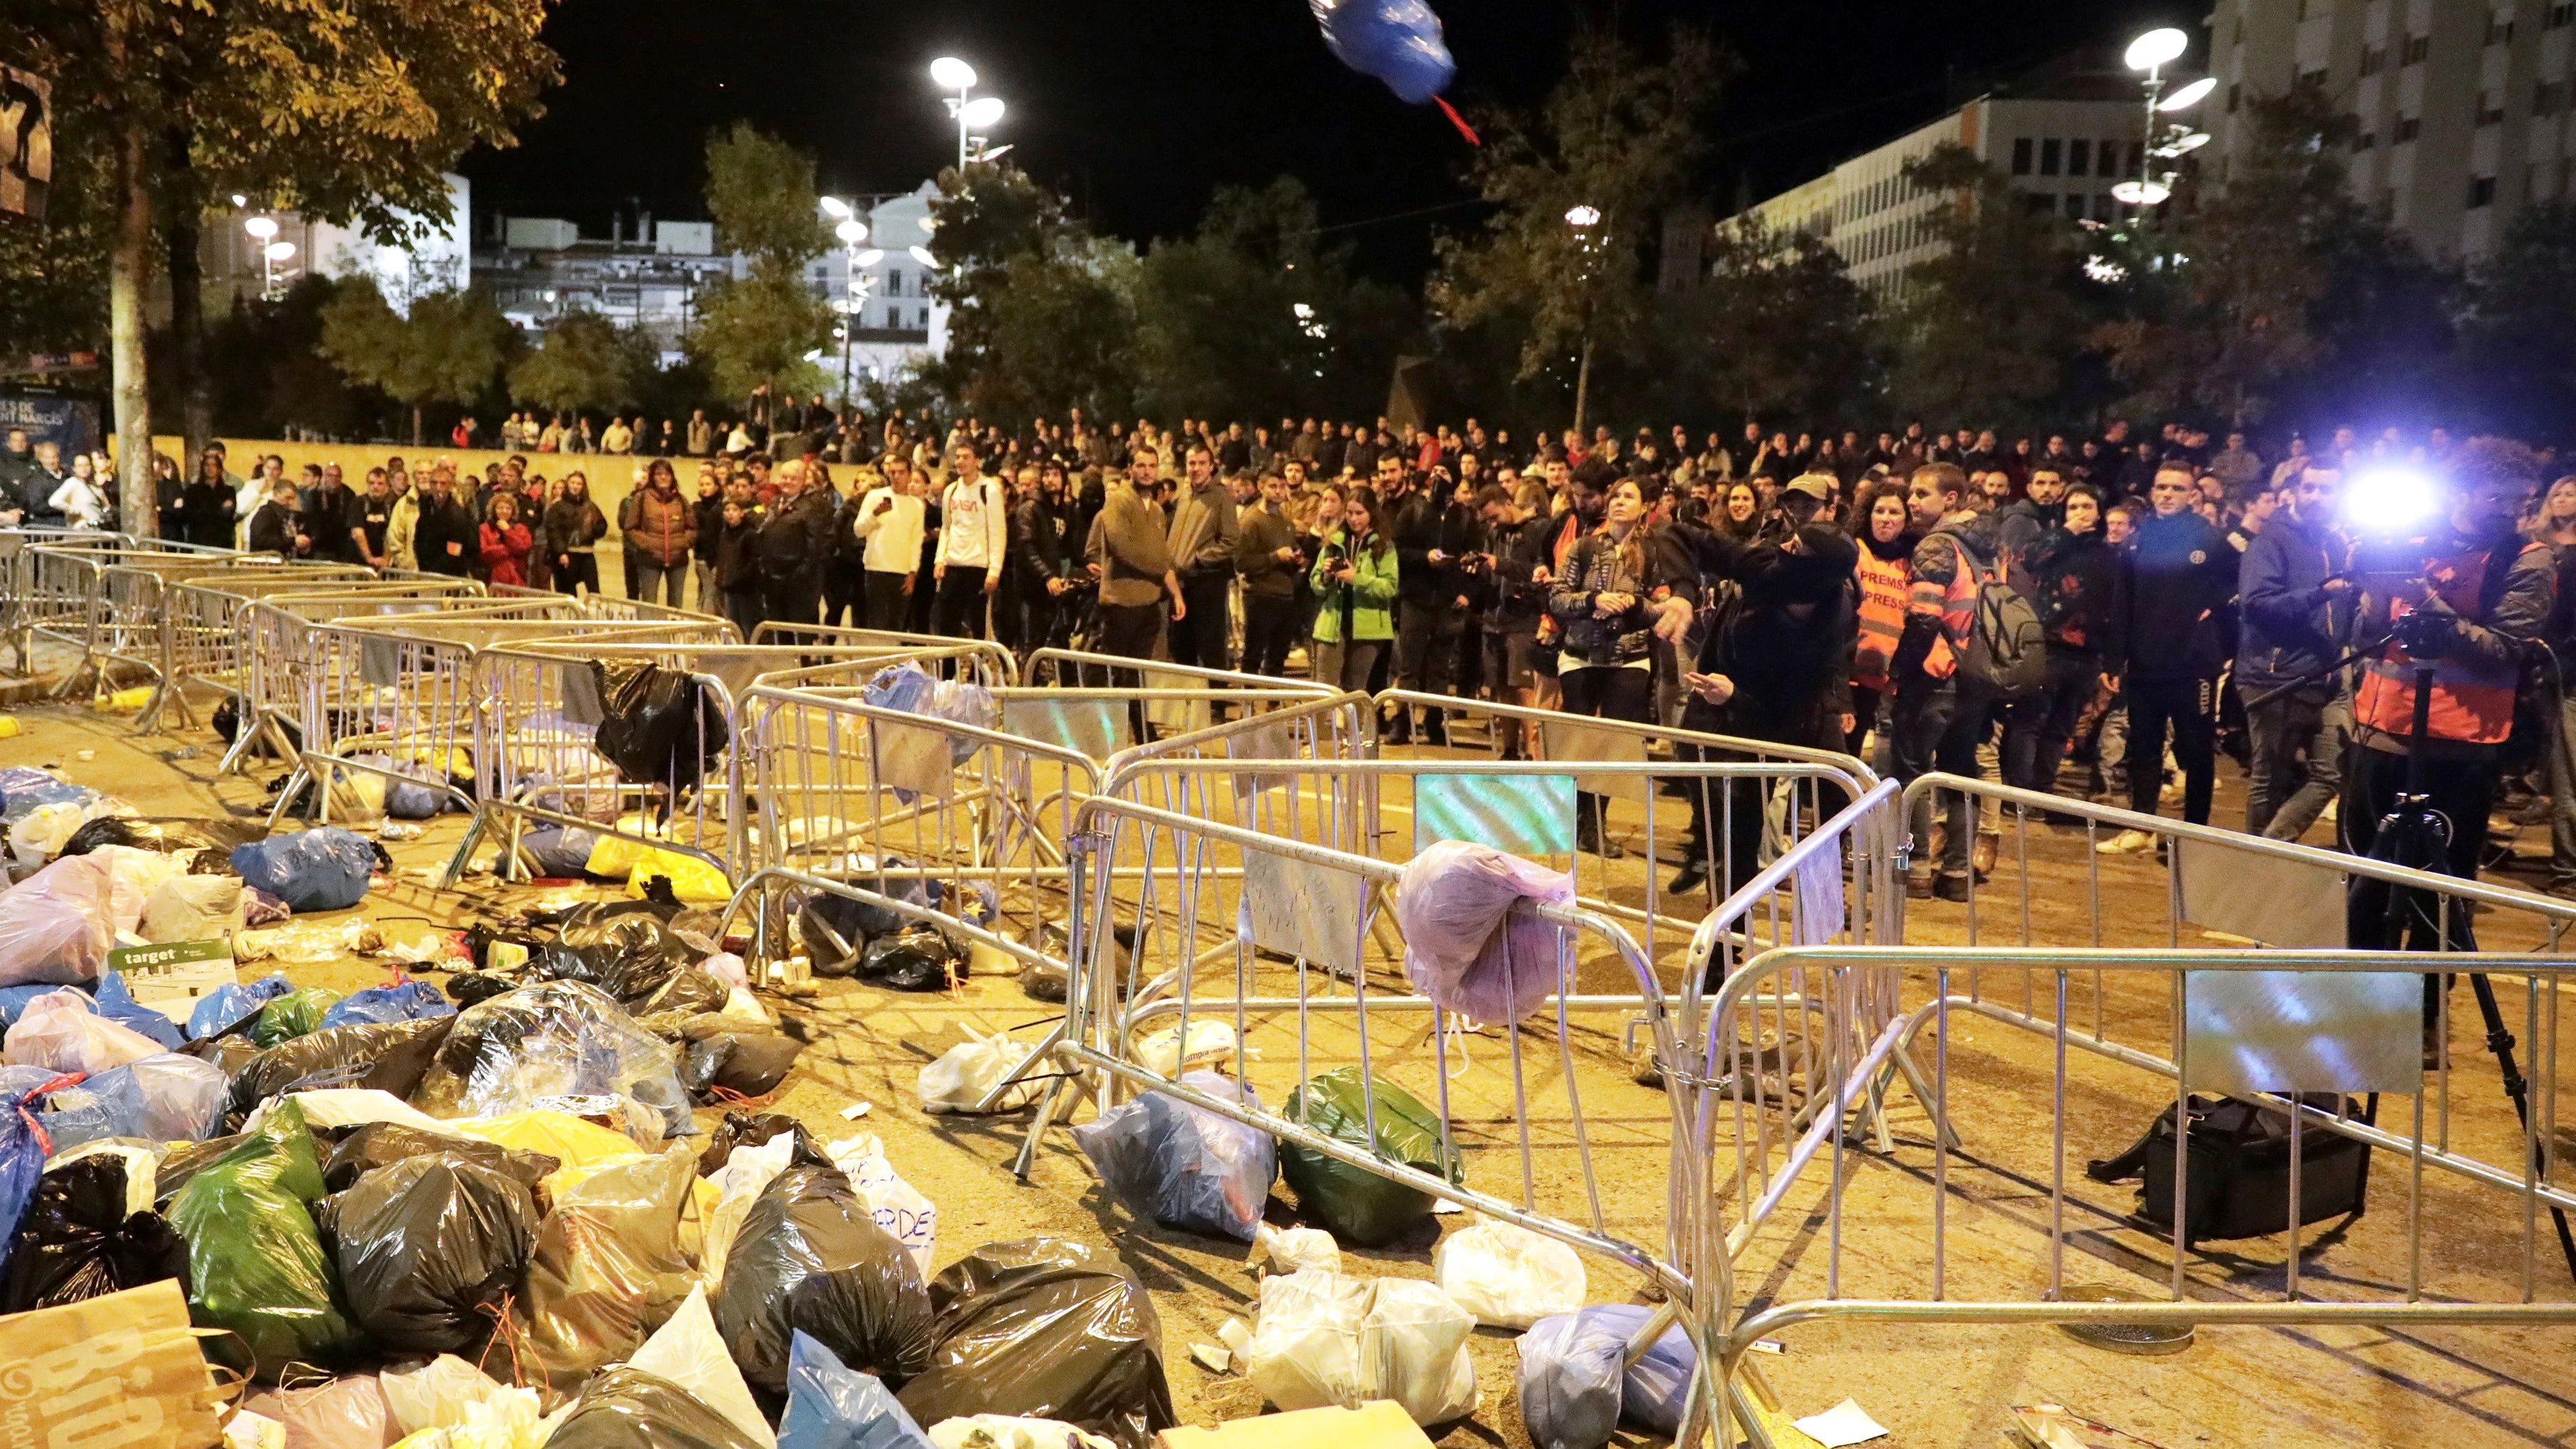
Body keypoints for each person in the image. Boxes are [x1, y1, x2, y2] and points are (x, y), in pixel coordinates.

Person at [1669, 524, 1859, 897]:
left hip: (1773, 720)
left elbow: (1788, 711)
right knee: (1707, 794)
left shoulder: (1829, 624)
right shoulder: (1766, 565)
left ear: (1815, 572)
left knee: (1752, 824)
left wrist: (1734, 696)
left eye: (1798, 548)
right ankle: (1707, 857)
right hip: (1714, 702)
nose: (1785, 545)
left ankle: (1808, 909)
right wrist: (1681, 594)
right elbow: (1681, 535)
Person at [2096, 464, 2236, 853]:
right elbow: (2122, 603)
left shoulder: (2210, 538)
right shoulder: (2136, 542)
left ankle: (2195, 833)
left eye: (2177, 488)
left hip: (2194, 665)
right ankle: (2142, 827)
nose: (2167, 494)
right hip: (2145, 662)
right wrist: (2113, 661)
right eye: (2161, 487)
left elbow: (2237, 583)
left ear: (2193, 495)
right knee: (2143, 746)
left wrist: (2215, 609)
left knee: (2197, 748)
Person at [1888, 463, 2001, 899]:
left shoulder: (1936, 546)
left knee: (1909, 775)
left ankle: (1909, 869)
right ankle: (1956, 874)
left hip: (1934, 675)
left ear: (1950, 499)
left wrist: (1900, 672)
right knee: (1960, 776)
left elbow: (1923, 617)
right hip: (1975, 677)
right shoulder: (1987, 550)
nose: (1911, 502)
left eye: (1921, 494)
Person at [1550, 477, 1680, 855]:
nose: (1620, 502)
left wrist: (1636, 606)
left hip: (1629, 659)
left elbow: (1664, 606)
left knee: (1610, 746)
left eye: (1629, 497)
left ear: (1644, 508)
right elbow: (1558, 599)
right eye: (1615, 496)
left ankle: (1595, 827)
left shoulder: (1653, 552)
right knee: (1579, 743)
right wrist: (1594, 600)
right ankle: (1571, 819)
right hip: (1579, 656)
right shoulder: (1584, 547)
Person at [2238, 464, 2355, 840]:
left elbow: (2345, 610)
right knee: (2270, 776)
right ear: (2294, 492)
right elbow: (2256, 604)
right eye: (2309, 488)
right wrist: (2319, 593)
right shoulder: (2271, 539)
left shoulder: (2337, 544)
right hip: (2274, 675)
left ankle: (2272, 847)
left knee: (2331, 773)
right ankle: (2259, 866)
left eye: (2325, 490)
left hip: (2328, 675)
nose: (2316, 497)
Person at [2002, 483, 2126, 801]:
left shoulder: (2111, 556)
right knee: (2029, 722)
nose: (2080, 513)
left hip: (2087, 655)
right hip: (2047, 647)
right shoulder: (2054, 545)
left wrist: (2112, 662)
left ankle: (2042, 794)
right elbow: (2027, 558)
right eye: (2073, 507)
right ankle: (2019, 795)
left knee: (2060, 728)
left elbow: (2118, 609)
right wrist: (2066, 532)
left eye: (2087, 507)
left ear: (2099, 514)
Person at [1390, 462, 1482, 744]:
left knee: (1440, 669)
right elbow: (1397, 551)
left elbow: (1476, 557)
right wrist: (1423, 557)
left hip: (1448, 602)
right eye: (1435, 472)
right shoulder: (1413, 511)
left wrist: (1467, 592)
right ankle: (1401, 722)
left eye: (1444, 473)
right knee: (1409, 666)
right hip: (1416, 599)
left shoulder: (1464, 517)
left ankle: (1434, 723)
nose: (1436, 477)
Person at [1086, 447, 1188, 703]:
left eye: (1152, 466)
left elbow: (1162, 554)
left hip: (1148, 605)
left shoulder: (1155, 511)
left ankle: (1141, 730)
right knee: (1111, 676)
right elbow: (1125, 550)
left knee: (1138, 676)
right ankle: (1105, 733)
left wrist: (1176, 594)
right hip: (1121, 604)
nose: (1147, 471)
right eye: (1141, 466)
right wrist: (1162, 565)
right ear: (1130, 469)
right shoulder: (1118, 502)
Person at [1478, 483, 1554, 759]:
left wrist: (1502, 566)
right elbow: (1490, 574)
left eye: (1494, 517)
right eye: (1487, 520)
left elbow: (1541, 572)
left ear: (1508, 503)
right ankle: (1509, 750)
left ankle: (1534, 753)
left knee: (1524, 689)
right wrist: (1477, 569)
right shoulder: (1494, 534)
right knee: (1501, 689)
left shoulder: (1537, 530)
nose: (1491, 524)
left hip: (1523, 620)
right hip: (1493, 620)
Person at [1845, 481, 1915, 761]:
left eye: (1895, 512)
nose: (1886, 518)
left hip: (1885, 672)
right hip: (1849, 667)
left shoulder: (1912, 560)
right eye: (1879, 511)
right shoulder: (1855, 551)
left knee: (1867, 744)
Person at [1309, 488, 1398, 692]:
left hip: (1368, 629)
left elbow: (1390, 587)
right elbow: (1315, 583)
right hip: (1332, 623)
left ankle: (1355, 726)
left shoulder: (1383, 546)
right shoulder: (1333, 542)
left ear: (1371, 514)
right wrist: (1326, 577)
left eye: (1359, 513)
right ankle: (1323, 726)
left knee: (1355, 690)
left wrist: (1355, 578)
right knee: (1323, 689)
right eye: (1349, 512)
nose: (1353, 518)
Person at [1164, 444, 1240, 674]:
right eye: (1191, 463)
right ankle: (1189, 705)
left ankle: (1216, 705)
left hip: (1206, 582)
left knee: (1210, 646)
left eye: (1201, 463)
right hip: (1180, 582)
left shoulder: (1220, 497)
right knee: (1181, 645)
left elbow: (1231, 540)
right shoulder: (1185, 496)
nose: (1196, 468)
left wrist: (1199, 560)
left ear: (1212, 466)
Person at [933, 441, 1008, 640]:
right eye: (957, 457)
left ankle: (978, 670)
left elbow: (998, 533)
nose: (960, 461)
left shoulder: (989, 490)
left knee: (978, 626)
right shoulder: (951, 490)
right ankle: (947, 671)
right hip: (953, 565)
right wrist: (940, 559)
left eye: (966, 457)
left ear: (977, 461)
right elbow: (947, 528)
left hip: (978, 567)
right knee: (947, 626)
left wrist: (994, 571)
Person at [756, 457, 835, 635]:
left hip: (798, 580)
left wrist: (802, 571)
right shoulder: (776, 502)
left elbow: (815, 543)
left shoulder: (813, 505)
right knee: (778, 628)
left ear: (803, 480)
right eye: (784, 477)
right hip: (773, 577)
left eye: (793, 478)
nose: (787, 482)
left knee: (799, 631)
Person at [1236, 469, 1303, 678]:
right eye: (1273, 486)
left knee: (1278, 656)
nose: (1279, 491)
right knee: (1253, 655)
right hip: (1260, 595)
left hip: (1284, 595)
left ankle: (1274, 705)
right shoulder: (1251, 520)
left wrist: (1296, 559)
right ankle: (1247, 705)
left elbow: (1287, 557)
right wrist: (1275, 557)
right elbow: (1241, 562)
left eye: (1282, 487)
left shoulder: (1286, 522)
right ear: (1261, 487)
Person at [852, 456, 927, 632]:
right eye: (892, 472)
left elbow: (916, 541)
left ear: (909, 475)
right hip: (876, 568)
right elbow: (858, 530)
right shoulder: (875, 496)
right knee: (877, 624)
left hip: (902, 572)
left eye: (901, 472)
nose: (896, 476)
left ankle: (894, 660)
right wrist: (875, 513)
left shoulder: (916, 505)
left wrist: (913, 571)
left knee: (897, 625)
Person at [626, 460, 696, 607]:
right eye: (659, 474)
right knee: (649, 604)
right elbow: (630, 527)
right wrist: (647, 543)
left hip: (678, 559)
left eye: (667, 474)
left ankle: (673, 630)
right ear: (653, 477)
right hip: (650, 559)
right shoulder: (642, 498)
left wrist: (683, 543)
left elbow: (692, 527)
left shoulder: (681, 500)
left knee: (676, 605)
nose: (663, 477)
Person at [544, 472, 609, 597]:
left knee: (595, 592)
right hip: (567, 555)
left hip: (587, 554)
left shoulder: (590, 506)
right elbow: (553, 532)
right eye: (572, 483)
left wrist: (594, 528)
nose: (575, 486)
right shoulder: (558, 507)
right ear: (567, 484)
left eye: (579, 484)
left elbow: (602, 526)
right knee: (568, 594)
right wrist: (561, 552)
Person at [713, 497, 765, 639]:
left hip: (746, 589)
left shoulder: (749, 534)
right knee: (733, 625)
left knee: (747, 625)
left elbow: (754, 561)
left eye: (735, 510)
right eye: (727, 510)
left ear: (742, 513)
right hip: (730, 587)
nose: (730, 513)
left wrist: (740, 577)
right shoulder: (724, 534)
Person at [412, 467, 476, 578]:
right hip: (425, 569)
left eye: (443, 484)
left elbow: (454, 552)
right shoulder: (426, 507)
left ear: (450, 486)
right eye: (434, 483)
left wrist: (434, 572)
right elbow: (418, 538)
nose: (438, 488)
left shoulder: (457, 515)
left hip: (449, 574)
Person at [178, 447, 238, 549]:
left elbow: (228, 515)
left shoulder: (229, 491)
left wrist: (205, 509)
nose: (210, 468)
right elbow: (192, 515)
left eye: (214, 465)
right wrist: (219, 509)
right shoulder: (193, 490)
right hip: (199, 542)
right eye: (206, 465)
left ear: (220, 469)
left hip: (222, 543)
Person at [477, 493, 534, 588]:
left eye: (508, 508)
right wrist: (508, 549)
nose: (504, 511)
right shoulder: (484, 529)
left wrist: (507, 531)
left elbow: (523, 548)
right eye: (500, 508)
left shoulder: (521, 528)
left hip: (517, 578)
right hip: (492, 578)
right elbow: (484, 552)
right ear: (494, 510)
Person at [245, 480, 309, 557]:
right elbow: (261, 540)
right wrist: (292, 541)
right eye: (287, 498)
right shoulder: (265, 514)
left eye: (293, 499)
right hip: (267, 562)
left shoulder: (291, 516)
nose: (290, 502)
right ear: (275, 493)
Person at [353, 468, 396, 570]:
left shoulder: (394, 505)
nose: (375, 487)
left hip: (386, 564)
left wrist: (386, 559)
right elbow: (357, 533)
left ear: (387, 486)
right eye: (372, 483)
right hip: (360, 563)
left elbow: (393, 534)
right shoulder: (358, 503)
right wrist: (369, 558)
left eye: (380, 483)